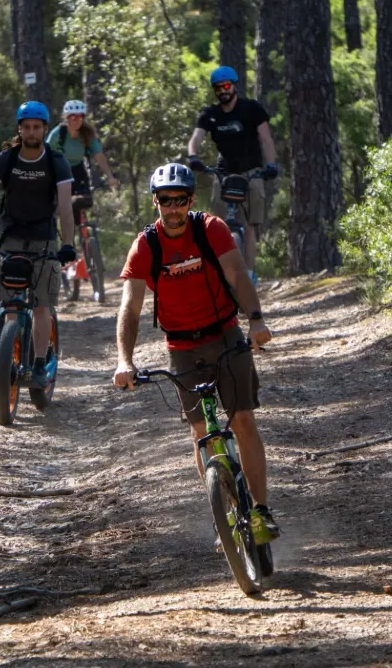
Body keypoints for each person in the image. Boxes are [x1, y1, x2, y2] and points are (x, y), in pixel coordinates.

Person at [113, 162, 279, 539]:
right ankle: (225, 513)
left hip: (224, 334)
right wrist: (125, 360)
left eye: (180, 200)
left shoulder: (211, 229)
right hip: (181, 347)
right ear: (154, 201)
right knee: (201, 433)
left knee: (243, 420)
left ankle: (262, 510)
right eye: (165, 201)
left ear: (191, 199)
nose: (173, 209)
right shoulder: (146, 244)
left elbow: (237, 274)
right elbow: (131, 306)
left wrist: (255, 320)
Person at [0, 101, 76, 390]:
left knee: (41, 306)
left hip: (44, 240)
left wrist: (67, 244)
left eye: (37, 127)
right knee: (10, 306)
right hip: (11, 239)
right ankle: (7, 357)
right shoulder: (5, 160)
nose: (31, 132)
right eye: (26, 126)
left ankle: (39, 364)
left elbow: (65, 208)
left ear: (44, 130)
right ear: (19, 128)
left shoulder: (56, 161)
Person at [187, 66, 279, 282]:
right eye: (218, 88)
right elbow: (196, 139)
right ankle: (217, 273)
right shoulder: (210, 114)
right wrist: (193, 156)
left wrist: (271, 164)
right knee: (216, 225)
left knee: (250, 225)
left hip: (252, 172)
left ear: (234, 86)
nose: (223, 91)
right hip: (223, 174)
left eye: (226, 86)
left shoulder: (252, 109)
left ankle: (248, 274)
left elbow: (266, 139)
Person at [46, 100, 118, 226]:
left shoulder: (87, 134)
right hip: (60, 171)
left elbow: (99, 156)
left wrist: (110, 177)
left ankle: (83, 237)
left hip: (78, 170)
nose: (77, 120)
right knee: (58, 206)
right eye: (73, 116)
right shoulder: (58, 134)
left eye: (81, 117)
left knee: (84, 200)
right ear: (66, 118)